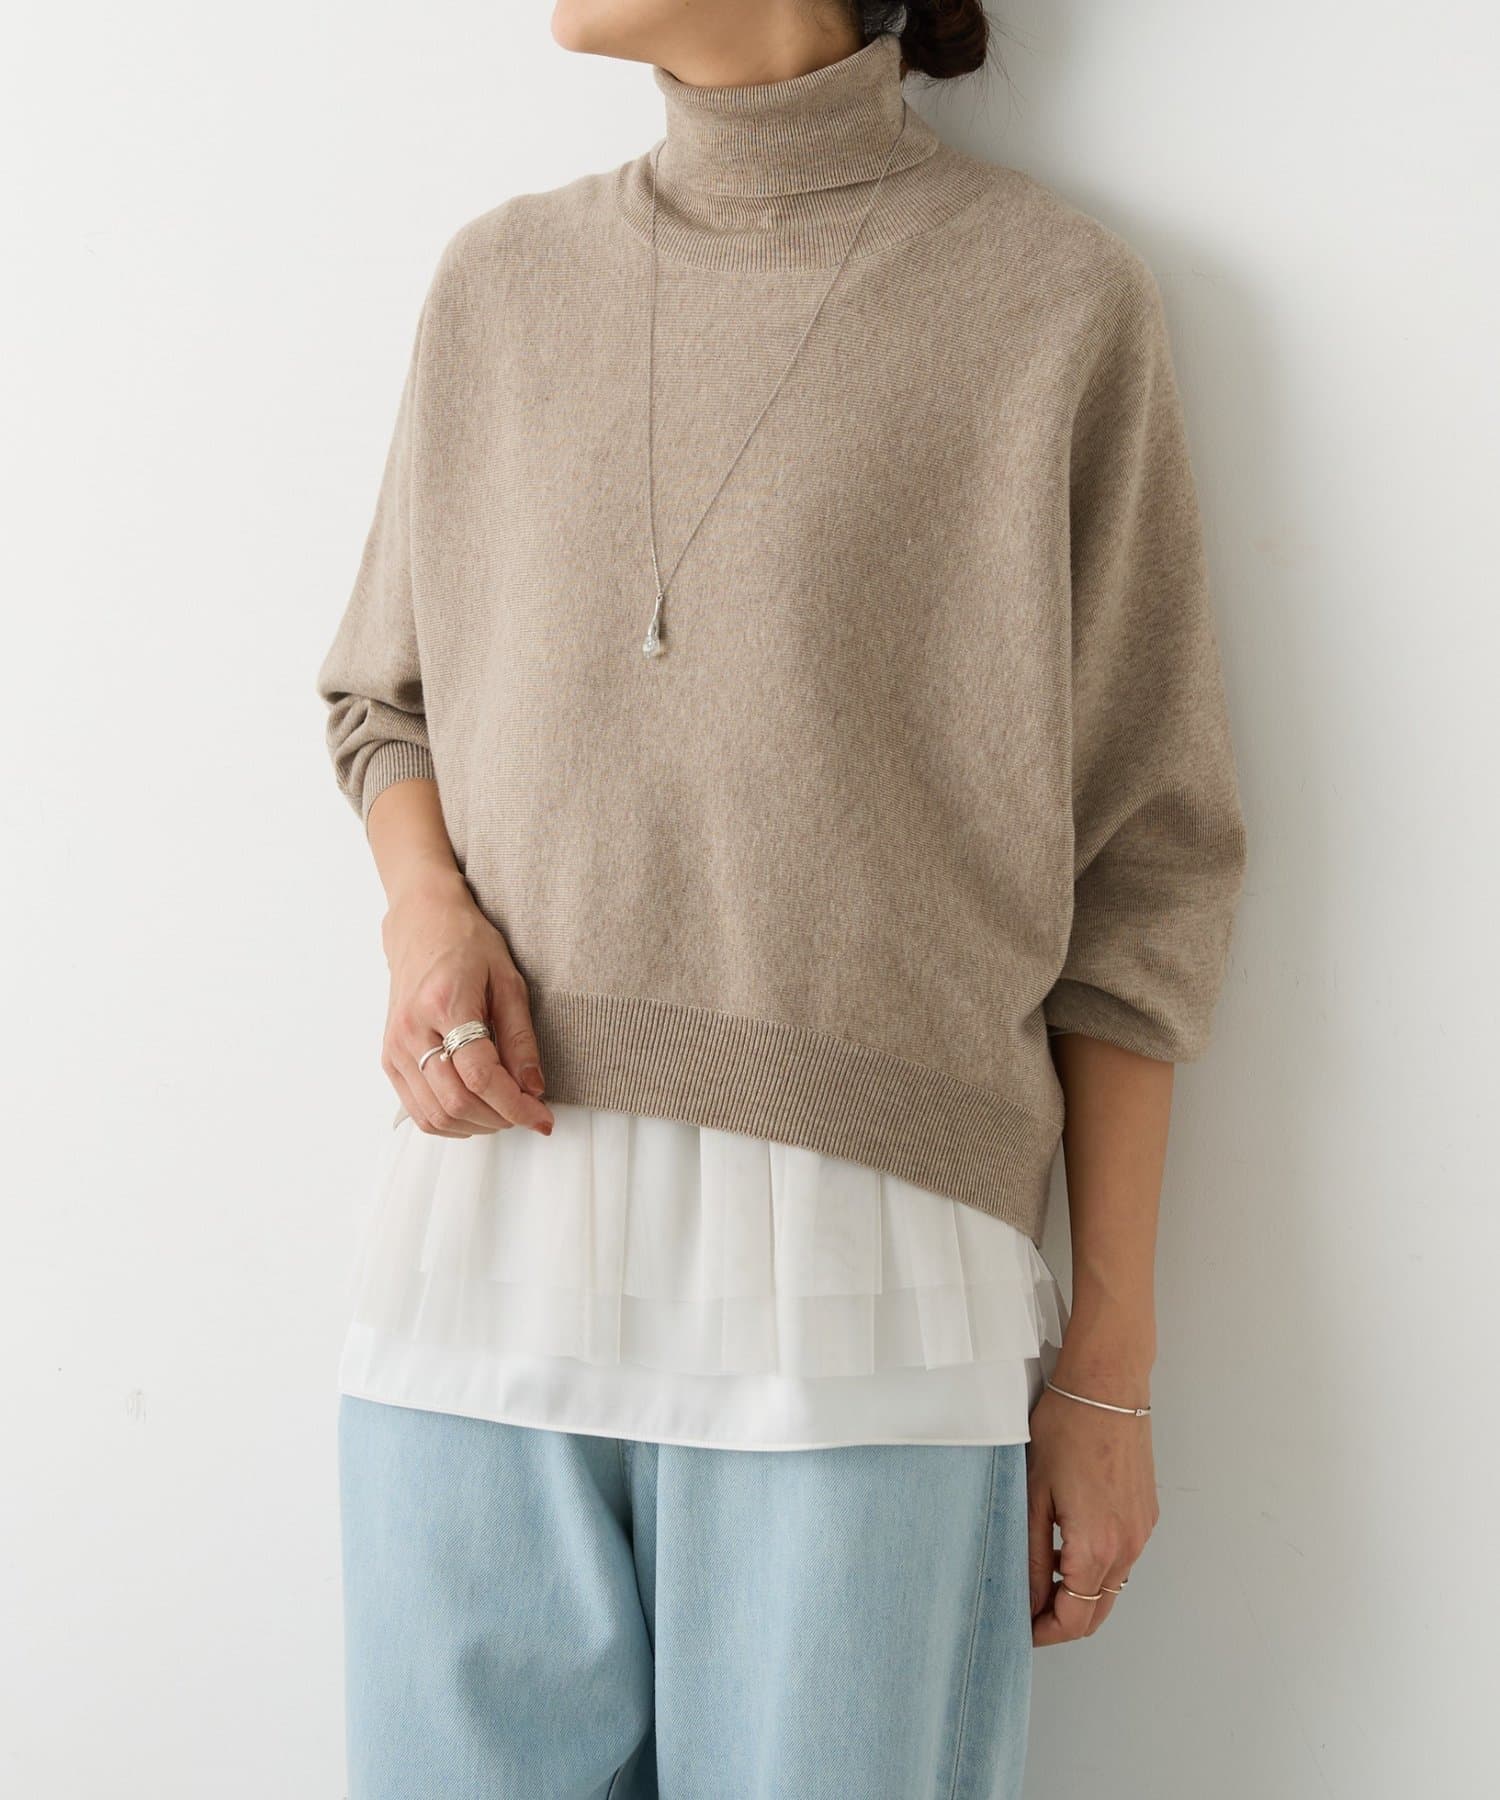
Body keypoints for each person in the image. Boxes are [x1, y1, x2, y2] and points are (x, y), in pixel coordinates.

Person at [316, 3, 1247, 1794]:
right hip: (481, 1264)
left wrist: (1108, 1370)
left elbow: (1149, 868)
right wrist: (425, 907)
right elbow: (382, 698)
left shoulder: (1051, 302)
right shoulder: (502, 284)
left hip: (866, 1294)